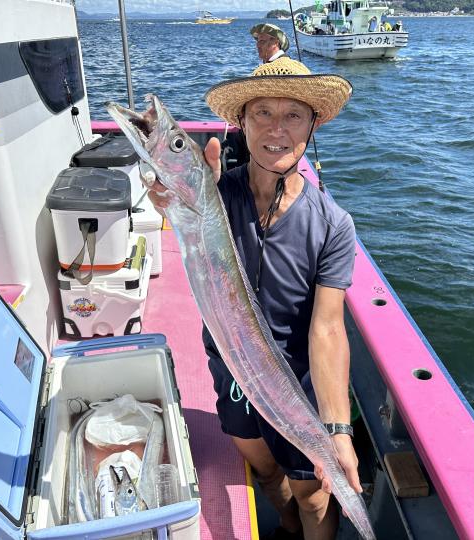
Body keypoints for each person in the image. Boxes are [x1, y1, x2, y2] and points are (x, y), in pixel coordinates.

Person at [148, 57, 360, 540]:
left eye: (293, 115)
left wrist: (337, 429)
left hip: (299, 381)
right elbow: (181, 209)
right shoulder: (214, 197)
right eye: (262, 112)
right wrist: (170, 197)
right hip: (231, 367)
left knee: (314, 494)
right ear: (241, 122)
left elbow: (328, 329)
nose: (276, 129)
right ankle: (286, 528)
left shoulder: (333, 225)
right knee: (264, 469)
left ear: (313, 124)